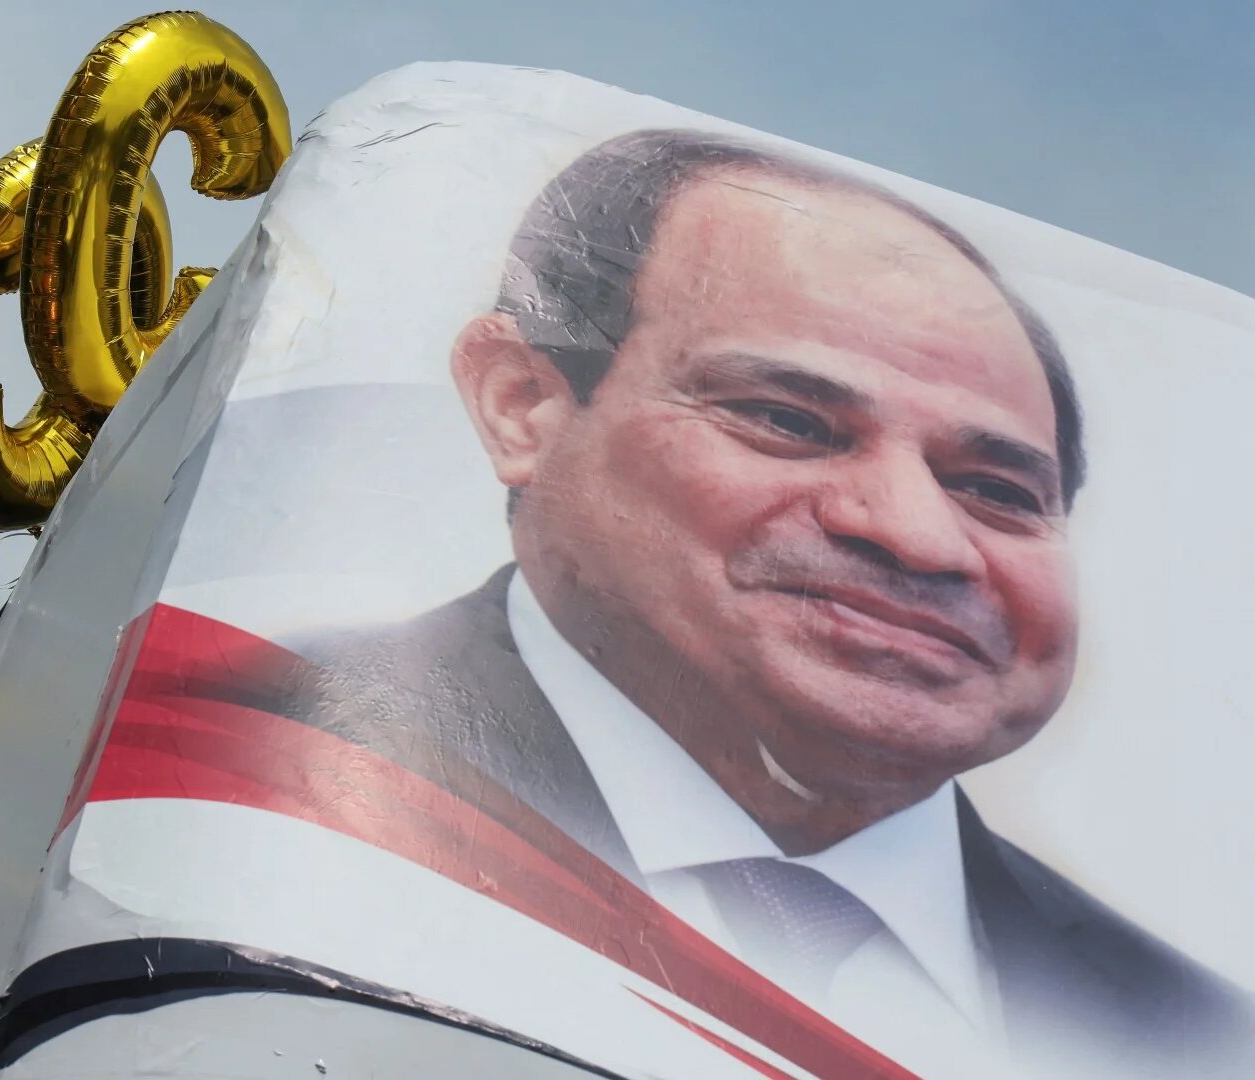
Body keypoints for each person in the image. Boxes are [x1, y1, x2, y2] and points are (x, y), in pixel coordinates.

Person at [291, 129, 1247, 1074]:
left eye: (995, 489)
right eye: (789, 421)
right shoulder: (241, 762)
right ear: (523, 402)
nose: (916, 534)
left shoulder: (1191, 1031)